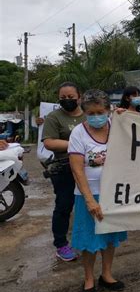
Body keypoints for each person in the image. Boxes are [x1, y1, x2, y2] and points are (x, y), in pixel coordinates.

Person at [69, 89, 127, 292]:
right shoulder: (78, 133)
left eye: (100, 112)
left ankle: (107, 274)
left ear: (108, 110)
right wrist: (89, 199)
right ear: (84, 112)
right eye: (91, 113)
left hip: (113, 193)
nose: (96, 117)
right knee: (89, 240)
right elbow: (77, 169)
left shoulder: (117, 126)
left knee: (110, 237)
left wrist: (127, 115)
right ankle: (89, 278)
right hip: (88, 194)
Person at [42, 82, 86, 262]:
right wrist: (77, 145)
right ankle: (61, 245)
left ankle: (86, 239)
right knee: (64, 206)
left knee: (87, 204)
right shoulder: (54, 117)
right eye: (63, 98)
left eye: (71, 97)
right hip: (64, 169)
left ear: (79, 97)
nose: (67, 100)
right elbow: (49, 142)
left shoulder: (89, 114)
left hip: (87, 168)